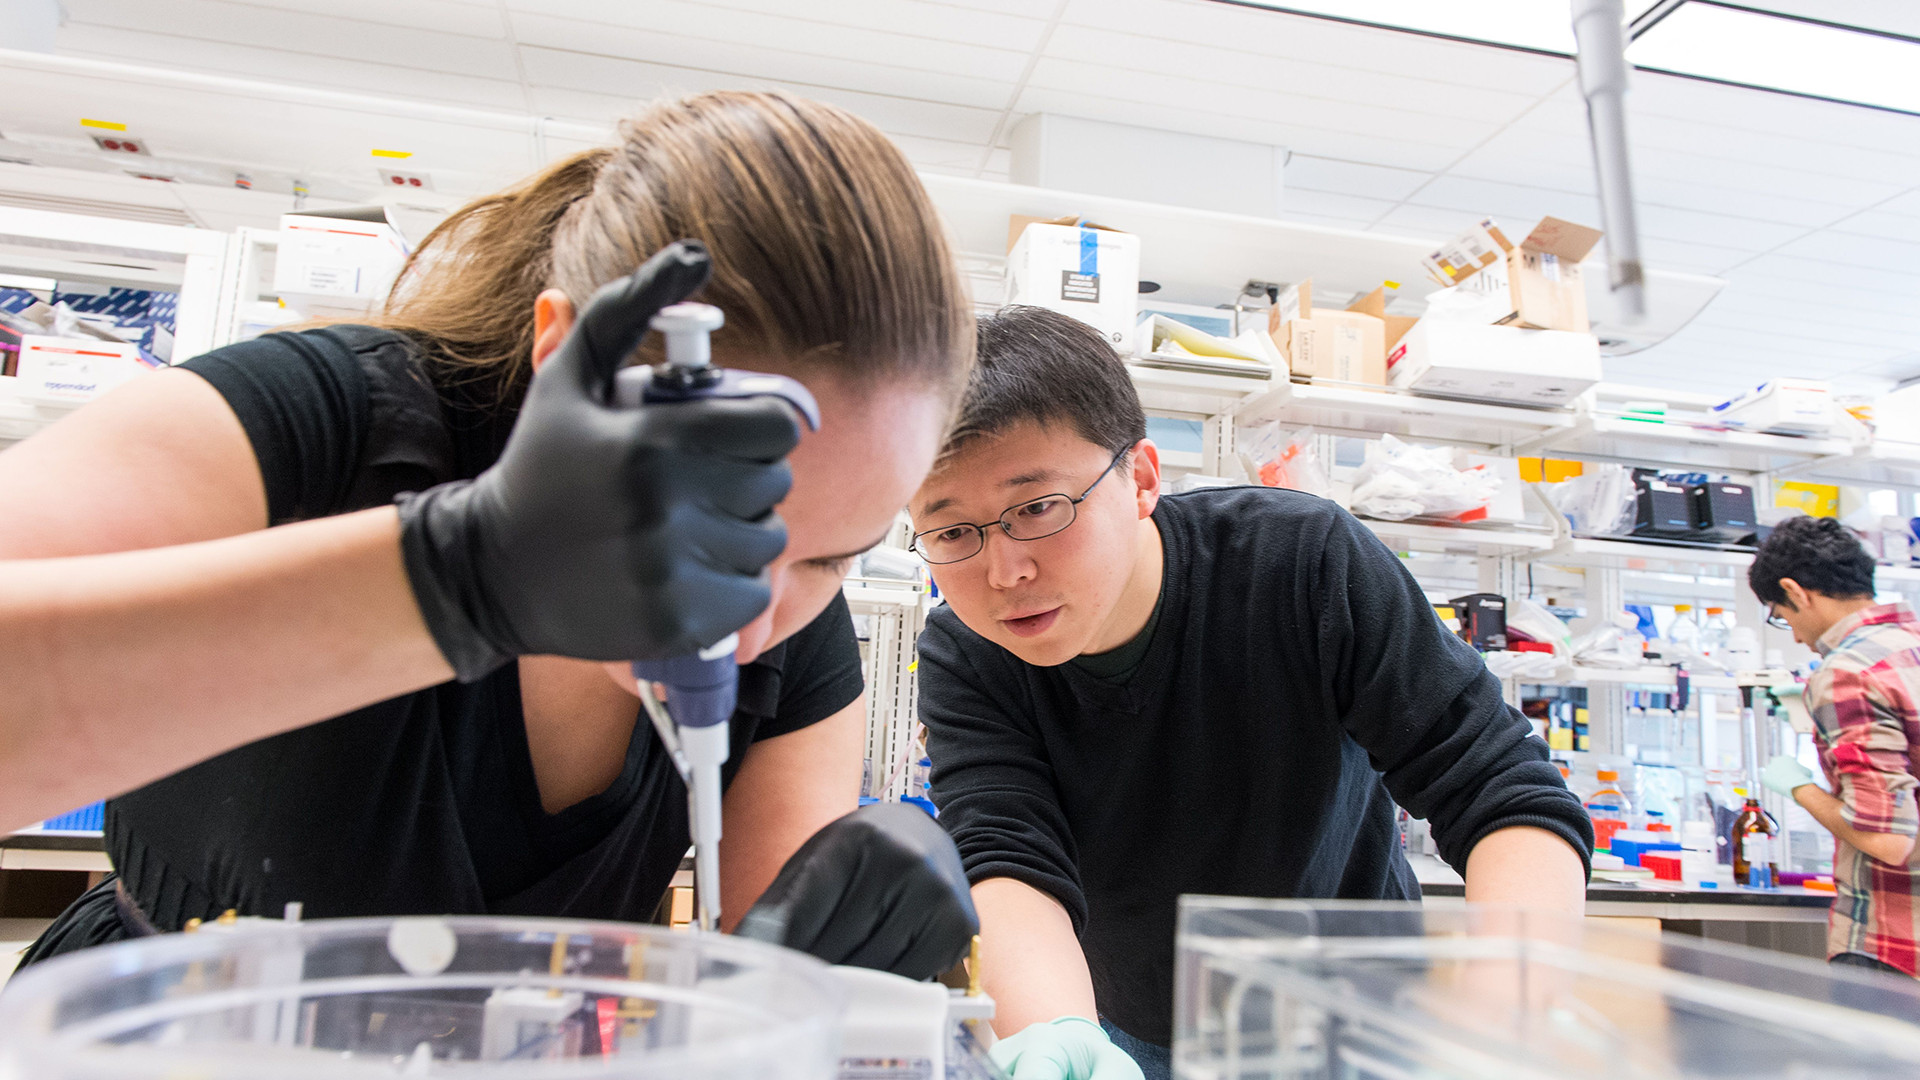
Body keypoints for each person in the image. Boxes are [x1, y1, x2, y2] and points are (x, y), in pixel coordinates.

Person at [3, 90, 977, 975]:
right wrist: (448, 580)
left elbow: (760, 984)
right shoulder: (325, 421)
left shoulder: (791, 643)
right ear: (561, 357)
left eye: (829, 556)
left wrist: (840, 963)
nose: (751, 620)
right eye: (714, 518)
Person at [909, 307, 1594, 1079]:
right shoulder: (968, 653)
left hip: (1352, 1024)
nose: (1005, 572)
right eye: (952, 532)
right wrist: (1056, 1033)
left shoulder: (1301, 564)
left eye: (1037, 508)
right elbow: (1007, 854)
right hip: (1121, 1024)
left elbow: (1501, 789)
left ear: (1139, 478)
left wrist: (1502, 1017)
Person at [1753, 515, 1920, 979]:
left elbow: (1886, 838)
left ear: (1797, 591)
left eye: (1784, 618)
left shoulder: (1846, 672)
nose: (1801, 639)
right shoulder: (1909, 648)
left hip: (1893, 945)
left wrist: (1799, 787)